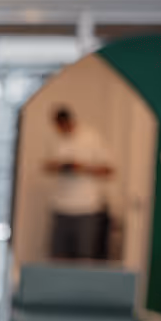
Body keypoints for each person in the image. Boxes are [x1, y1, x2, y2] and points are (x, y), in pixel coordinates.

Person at [44, 106, 113, 260]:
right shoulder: (55, 139)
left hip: (87, 207)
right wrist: (60, 166)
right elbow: (46, 166)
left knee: (85, 255)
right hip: (60, 206)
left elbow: (109, 170)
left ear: (70, 121)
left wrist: (81, 168)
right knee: (58, 256)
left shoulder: (91, 137)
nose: (61, 129)